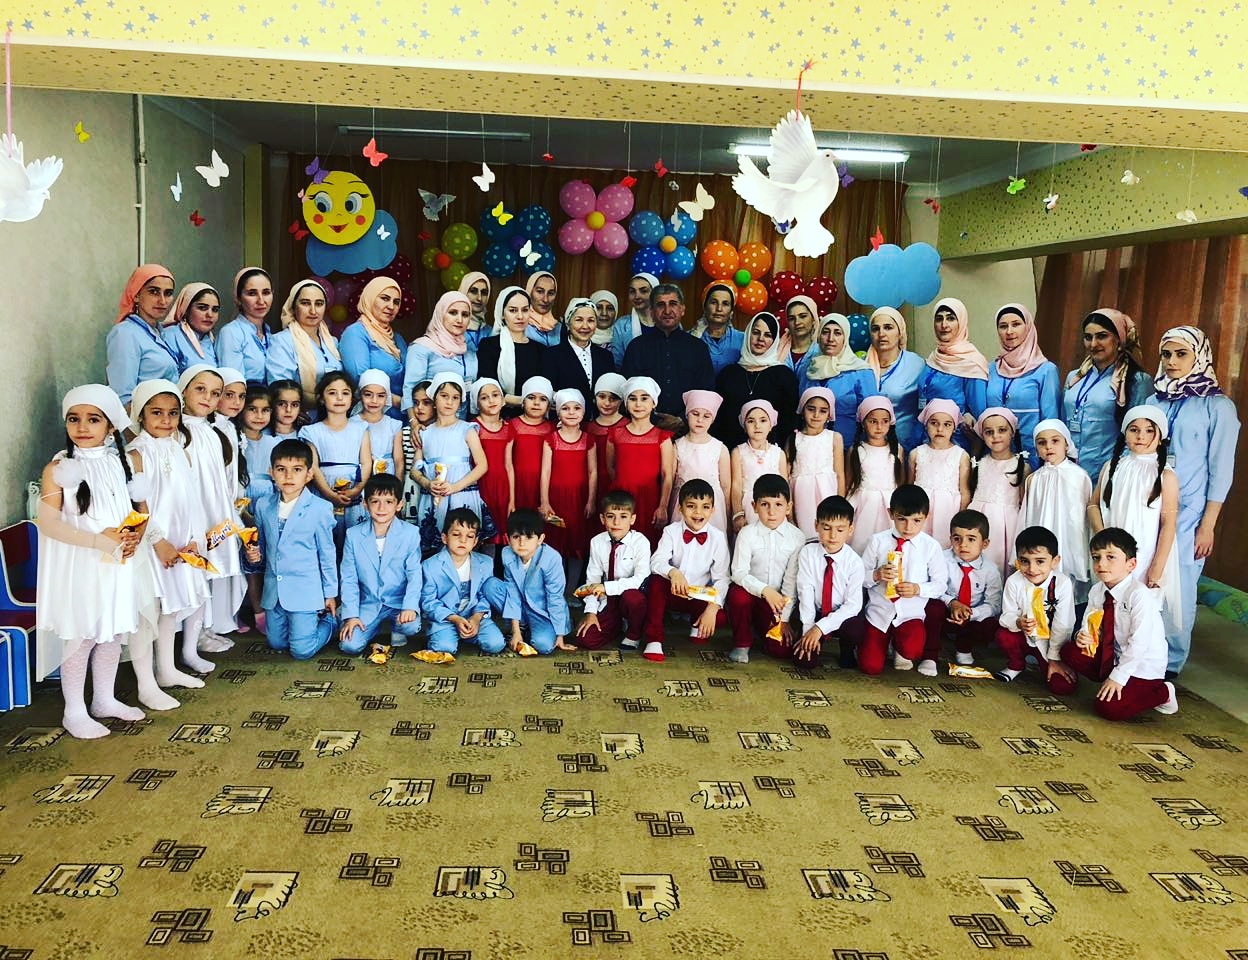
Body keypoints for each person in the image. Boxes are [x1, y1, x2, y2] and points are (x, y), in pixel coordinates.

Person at [36, 385, 147, 738]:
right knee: (82, 634)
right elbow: (48, 523)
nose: (82, 426)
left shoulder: (125, 463)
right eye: (74, 419)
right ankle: (74, 710)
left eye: (93, 419)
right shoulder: (58, 468)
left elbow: (140, 512)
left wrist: (134, 538)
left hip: (115, 564)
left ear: (111, 426)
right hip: (80, 565)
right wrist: (98, 541)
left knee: (111, 631)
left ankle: (103, 699)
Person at [1148, 325, 1241, 677]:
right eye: (1166, 354)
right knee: (1145, 576)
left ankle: (1170, 664)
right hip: (1149, 505)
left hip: (1190, 513)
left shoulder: (1218, 407)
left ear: (1199, 356)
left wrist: (1208, 525)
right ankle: (1141, 652)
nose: (1172, 361)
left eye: (1181, 354)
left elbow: (1221, 470)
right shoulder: (1154, 401)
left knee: (1180, 585)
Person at [126, 379, 213, 690]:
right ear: (141, 414)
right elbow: (138, 507)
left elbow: (190, 499)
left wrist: (194, 538)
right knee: (148, 610)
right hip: (152, 544)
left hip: (179, 543)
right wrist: (158, 541)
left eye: (173, 413)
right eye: (157, 412)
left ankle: (167, 668)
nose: (165, 420)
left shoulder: (178, 449)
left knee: (171, 608)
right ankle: (146, 681)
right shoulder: (135, 454)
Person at [1045, 527, 1179, 719]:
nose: (1101, 563)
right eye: (1096, 557)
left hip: (1142, 665)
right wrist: (1082, 636)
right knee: (1069, 651)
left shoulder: (1139, 595)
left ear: (1131, 564)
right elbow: (1089, 623)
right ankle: (1110, 680)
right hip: (1113, 655)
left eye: (1110, 557)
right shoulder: (1097, 590)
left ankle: (1164, 692)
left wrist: (1118, 678)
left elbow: (1139, 644)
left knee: (1109, 708)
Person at [1088, 406, 1181, 636]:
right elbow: (1093, 505)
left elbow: (1168, 523)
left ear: (1161, 436)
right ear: (1124, 433)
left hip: (1144, 554)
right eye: (1134, 429)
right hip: (1111, 552)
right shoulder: (1112, 467)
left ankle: (1137, 656)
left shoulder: (1165, 475)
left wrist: (1157, 567)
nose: (1141, 436)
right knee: (1108, 608)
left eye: (1149, 430)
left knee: (1138, 613)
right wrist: (1103, 537)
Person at [245, 438, 338, 660]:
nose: (288, 476)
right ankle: (301, 628)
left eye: (296, 470)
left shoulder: (320, 508)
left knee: (301, 651)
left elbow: (327, 554)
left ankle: (330, 622)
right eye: (281, 469)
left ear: (309, 474)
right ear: (271, 473)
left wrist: (330, 594)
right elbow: (263, 549)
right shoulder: (263, 505)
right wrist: (253, 556)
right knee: (276, 642)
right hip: (274, 591)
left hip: (305, 590)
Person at [177, 365, 243, 654]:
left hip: (214, 514)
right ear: (183, 390)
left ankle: (204, 629)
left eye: (215, 393)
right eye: (200, 389)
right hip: (192, 516)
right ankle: (188, 640)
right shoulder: (177, 433)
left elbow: (221, 479)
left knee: (208, 571)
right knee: (192, 573)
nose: (207, 397)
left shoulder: (213, 433)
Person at [858, 484, 948, 675]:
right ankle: (879, 644)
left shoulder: (931, 546)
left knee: (912, 650)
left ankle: (900, 648)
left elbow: (941, 585)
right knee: (870, 667)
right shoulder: (877, 541)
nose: (908, 527)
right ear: (891, 514)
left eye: (916, 520)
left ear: (927, 517)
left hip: (910, 614)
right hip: (879, 614)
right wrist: (876, 575)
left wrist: (917, 589)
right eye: (901, 519)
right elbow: (858, 577)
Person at [643, 478, 730, 662]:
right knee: (656, 583)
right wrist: (673, 572)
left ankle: (697, 624)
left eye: (705, 507)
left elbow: (722, 578)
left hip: (698, 596)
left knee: (721, 617)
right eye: (691, 506)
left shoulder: (717, 538)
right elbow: (656, 561)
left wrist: (712, 609)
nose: (698, 512)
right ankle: (654, 639)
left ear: (713, 510)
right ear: (680, 508)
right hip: (673, 592)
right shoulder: (671, 531)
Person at [337, 473, 423, 659]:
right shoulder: (353, 535)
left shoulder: (410, 534)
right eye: (375, 501)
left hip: (398, 603)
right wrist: (351, 615)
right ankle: (371, 627)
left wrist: (409, 606)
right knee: (349, 646)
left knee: (412, 625)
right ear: (365, 504)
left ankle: (396, 628)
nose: (381, 508)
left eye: (389, 502)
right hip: (367, 603)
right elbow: (349, 579)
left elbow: (414, 575)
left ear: (399, 505)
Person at [1063, 308, 1152, 482]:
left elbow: (1138, 434)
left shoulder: (1137, 381)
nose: (1093, 344)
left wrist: (1116, 473)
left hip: (1107, 472)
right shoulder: (1074, 378)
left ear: (1119, 339)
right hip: (1068, 470)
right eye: (1088, 337)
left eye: (1102, 336)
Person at [727, 473, 805, 663]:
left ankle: (759, 630)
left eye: (778, 504)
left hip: (778, 603)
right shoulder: (747, 534)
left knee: (781, 650)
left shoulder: (797, 537)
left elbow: (791, 581)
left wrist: (784, 619)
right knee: (738, 595)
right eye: (764, 504)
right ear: (754, 506)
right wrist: (764, 590)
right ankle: (742, 642)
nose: (771, 512)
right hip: (751, 596)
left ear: (789, 507)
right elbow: (738, 573)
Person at [411, 373, 489, 554]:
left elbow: (482, 465)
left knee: (463, 542)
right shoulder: (425, 433)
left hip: (461, 496)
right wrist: (427, 484)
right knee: (434, 548)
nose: (449, 402)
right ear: (434, 398)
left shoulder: (466, 429)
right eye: (444, 396)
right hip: (434, 498)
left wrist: (455, 487)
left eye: (455, 398)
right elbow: (415, 470)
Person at [420, 507, 512, 658]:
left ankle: (469, 634)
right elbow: (428, 601)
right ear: (444, 538)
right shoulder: (430, 566)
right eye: (456, 534)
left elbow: (484, 596)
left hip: (474, 616)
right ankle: (449, 636)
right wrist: (454, 619)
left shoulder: (485, 563)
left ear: (475, 541)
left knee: (496, 644)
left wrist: (476, 618)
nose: (463, 540)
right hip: (446, 619)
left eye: (469, 536)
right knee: (444, 648)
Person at [786, 495, 864, 668]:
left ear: (850, 529)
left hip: (841, 613)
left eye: (840, 529)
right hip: (814, 611)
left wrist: (819, 628)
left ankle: (847, 649)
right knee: (803, 662)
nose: (833, 536)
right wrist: (809, 630)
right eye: (826, 528)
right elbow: (805, 592)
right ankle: (811, 640)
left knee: (855, 629)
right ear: (816, 525)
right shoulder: (808, 553)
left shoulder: (855, 562)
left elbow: (853, 605)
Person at [922, 509, 1002, 676]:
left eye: (971, 539)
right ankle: (930, 655)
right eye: (957, 539)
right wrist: (952, 603)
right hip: (946, 613)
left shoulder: (991, 570)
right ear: (950, 539)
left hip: (971, 617)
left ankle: (964, 648)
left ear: (985, 543)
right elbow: (933, 587)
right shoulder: (942, 559)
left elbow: (994, 604)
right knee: (932, 607)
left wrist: (971, 613)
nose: (963, 545)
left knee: (990, 625)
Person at [621, 284, 715, 421]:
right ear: (652, 312)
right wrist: (654, 420)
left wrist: (681, 420)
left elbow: (705, 392)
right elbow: (629, 392)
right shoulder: (637, 347)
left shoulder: (698, 348)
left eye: (673, 304)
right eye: (660, 305)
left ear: (682, 309)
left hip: (689, 426)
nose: (667, 311)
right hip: (645, 425)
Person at [994, 526, 1076, 683]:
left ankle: (1049, 663)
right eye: (1025, 561)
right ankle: (1016, 665)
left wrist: (1054, 658)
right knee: (1003, 636)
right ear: (1018, 561)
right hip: (1022, 636)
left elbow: (1063, 625)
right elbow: (1006, 615)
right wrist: (1018, 622)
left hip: (1049, 642)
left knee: (1062, 686)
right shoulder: (1014, 581)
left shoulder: (1062, 584)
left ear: (1055, 561)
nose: (1032, 569)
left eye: (1040, 561)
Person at [1020, 420, 1091, 599]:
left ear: (1066, 444)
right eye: (1042, 442)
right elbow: (1028, 514)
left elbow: (1084, 515)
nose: (1048, 446)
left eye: (1055, 441)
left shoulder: (1079, 476)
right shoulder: (1034, 479)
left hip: (1070, 535)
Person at [299, 372, 372, 544]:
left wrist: (357, 489)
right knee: (326, 539)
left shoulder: (360, 428)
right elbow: (313, 467)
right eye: (332, 393)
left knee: (355, 540)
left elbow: (366, 462)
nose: (339, 398)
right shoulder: (312, 431)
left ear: (352, 399)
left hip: (354, 489)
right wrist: (329, 494)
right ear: (321, 398)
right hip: (324, 489)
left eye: (345, 393)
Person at [573, 490, 651, 650]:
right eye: (610, 516)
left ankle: (634, 633)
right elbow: (592, 580)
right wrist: (591, 613)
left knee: (633, 599)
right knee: (585, 640)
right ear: (603, 519)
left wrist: (606, 587)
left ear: (632, 519)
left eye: (623, 516)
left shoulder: (640, 542)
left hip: (631, 597)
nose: (616, 522)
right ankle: (616, 624)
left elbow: (640, 579)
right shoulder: (597, 542)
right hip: (607, 601)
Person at [985, 304, 1060, 467]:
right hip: (996, 455)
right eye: (1003, 326)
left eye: (1016, 324)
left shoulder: (1045, 370)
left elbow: (1050, 420)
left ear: (1028, 327)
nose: (1009, 331)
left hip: (1032, 455)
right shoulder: (991, 369)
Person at [713, 311, 799, 449]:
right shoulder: (728, 374)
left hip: (771, 453)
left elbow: (789, 422)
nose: (760, 339)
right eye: (756, 332)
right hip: (730, 452)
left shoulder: (784, 376)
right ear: (748, 334)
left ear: (774, 340)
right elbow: (718, 421)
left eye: (768, 335)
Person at [606, 376, 674, 546]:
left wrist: (662, 506)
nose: (638, 404)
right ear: (626, 403)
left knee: (647, 543)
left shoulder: (662, 437)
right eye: (632, 399)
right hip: (621, 499)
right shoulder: (615, 434)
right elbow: (611, 467)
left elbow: (667, 475)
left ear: (653, 403)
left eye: (644, 398)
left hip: (649, 500)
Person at [498, 509, 575, 654]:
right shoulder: (507, 554)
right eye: (516, 537)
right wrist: (515, 631)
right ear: (507, 539)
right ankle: (521, 628)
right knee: (491, 586)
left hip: (541, 611)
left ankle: (538, 629)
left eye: (529, 537)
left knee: (543, 646)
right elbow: (512, 593)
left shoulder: (551, 559)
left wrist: (560, 635)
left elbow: (555, 598)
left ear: (540, 539)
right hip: (520, 608)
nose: (522, 543)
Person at [540, 389, 597, 583]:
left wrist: (591, 501)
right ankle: (555, 588)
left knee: (576, 542)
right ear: (558, 412)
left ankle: (571, 588)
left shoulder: (589, 439)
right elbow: (545, 472)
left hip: (579, 500)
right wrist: (545, 502)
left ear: (583, 412)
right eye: (565, 408)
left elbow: (593, 472)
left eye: (576, 408)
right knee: (556, 541)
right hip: (556, 500)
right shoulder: (551, 439)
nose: (571, 412)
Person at [967, 408, 1028, 578]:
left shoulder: (1021, 467)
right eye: (989, 432)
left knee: (1000, 567)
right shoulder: (978, 464)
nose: (995, 436)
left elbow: (1023, 504)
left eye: (1002, 430)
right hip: (979, 524)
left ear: (1012, 433)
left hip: (1006, 527)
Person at [797, 314, 874, 448]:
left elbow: (872, 414)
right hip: (810, 445)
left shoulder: (861, 371)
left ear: (845, 338)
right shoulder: (808, 367)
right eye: (825, 332)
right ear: (819, 336)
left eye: (837, 333)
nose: (830, 338)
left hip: (848, 446)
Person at [919, 297, 988, 445]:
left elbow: (979, 415)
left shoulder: (971, 362)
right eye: (939, 319)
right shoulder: (933, 359)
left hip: (956, 443)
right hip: (927, 440)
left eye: (950, 318)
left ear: (961, 323)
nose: (944, 325)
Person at [106, 264, 178, 406]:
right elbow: (122, 397)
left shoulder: (160, 332)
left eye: (168, 293)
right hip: (141, 418)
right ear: (136, 295)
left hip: (165, 415)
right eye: (154, 292)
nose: (162, 301)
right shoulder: (125, 333)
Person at [267, 279, 343, 410]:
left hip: (336, 415)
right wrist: (328, 402)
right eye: (305, 303)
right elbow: (281, 388)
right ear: (293, 306)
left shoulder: (332, 342)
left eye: (319, 304)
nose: (313, 311)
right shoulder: (282, 341)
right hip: (300, 415)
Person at [845, 396, 906, 554]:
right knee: (861, 543)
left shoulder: (897, 449)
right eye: (873, 421)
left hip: (889, 504)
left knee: (887, 547)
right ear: (863, 423)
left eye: (885, 421)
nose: (879, 427)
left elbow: (901, 482)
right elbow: (849, 482)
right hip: (863, 503)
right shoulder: (856, 450)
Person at [339, 277, 408, 415]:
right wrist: (403, 403)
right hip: (372, 416)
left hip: (402, 416)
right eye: (385, 298)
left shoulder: (397, 338)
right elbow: (360, 381)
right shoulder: (355, 333)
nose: (391, 306)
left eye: (396, 302)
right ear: (369, 298)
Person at [402, 291, 478, 414]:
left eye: (465, 315)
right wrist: (413, 420)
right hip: (432, 421)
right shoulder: (422, 348)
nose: (459, 320)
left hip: (463, 420)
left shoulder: (468, 348)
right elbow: (410, 389)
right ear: (441, 314)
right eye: (453, 313)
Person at [910, 399, 970, 548]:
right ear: (926, 425)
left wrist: (961, 518)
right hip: (920, 509)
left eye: (947, 424)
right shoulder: (916, 453)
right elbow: (909, 487)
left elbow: (964, 491)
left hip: (947, 511)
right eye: (934, 423)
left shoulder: (961, 455)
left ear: (954, 427)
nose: (940, 429)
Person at [865, 307, 927, 451]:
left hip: (906, 444)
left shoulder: (916, 365)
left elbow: (927, 404)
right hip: (870, 447)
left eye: (888, 327)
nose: (881, 334)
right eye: (875, 329)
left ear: (900, 332)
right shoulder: (861, 366)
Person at [788, 386, 845, 537]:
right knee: (805, 533)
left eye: (823, 411)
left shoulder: (835, 438)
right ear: (802, 410)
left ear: (829, 414)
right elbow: (787, 475)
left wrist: (841, 503)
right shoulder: (794, 439)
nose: (816, 415)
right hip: (802, 494)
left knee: (828, 530)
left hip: (828, 490)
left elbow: (839, 474)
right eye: (811, 409)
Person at [671, 390, 730, 532]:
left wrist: (728, 514)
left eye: (706, 416)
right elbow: (670, 480)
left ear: (713, 419)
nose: (700, 420)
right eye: (695, 414)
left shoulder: (720, 448)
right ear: (687, 415)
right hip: (684, 503)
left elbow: (726, 486)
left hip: (712, 505)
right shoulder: (677, 446)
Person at [477, 286, 544, 411]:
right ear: (502, 314)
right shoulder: (489, 346)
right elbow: (488, 386)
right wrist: (522, 401)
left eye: (525, 310)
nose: (520, 316)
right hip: (497, 414)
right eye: (513, 310)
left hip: (533, 415)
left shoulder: (540, 349)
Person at [544, 298, 616, 414]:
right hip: (565, 420)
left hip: (598, 421)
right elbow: (546, 394)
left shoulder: (606, 356)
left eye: (591, 320)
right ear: (568, 323)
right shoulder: (552, 355)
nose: (585, 326)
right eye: (579, 320)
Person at [470, 378, 514, 555]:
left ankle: (497, 571)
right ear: (477, 403)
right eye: (484, 397)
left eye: (495, 395)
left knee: (501, 536)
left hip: (502, 489)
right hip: (481, 487)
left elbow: (509, 465)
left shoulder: (509, 428)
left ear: (503, 400)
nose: (491, 400)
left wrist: (512, 499)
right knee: (483, 534)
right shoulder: (473, 427)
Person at [731, 399, 788, 532]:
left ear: (771, 425)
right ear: (744, 426)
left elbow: (785, 485)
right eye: (751, 421)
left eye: (763, 420)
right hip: (749, 506)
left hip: (773, 506)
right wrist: (738, 513)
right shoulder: (738, 452)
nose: (757, 425)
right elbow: (736, 485)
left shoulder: (778, 453)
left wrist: (788, 515)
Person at [217, 267, 274, 385]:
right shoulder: (230, 333)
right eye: (252, 293)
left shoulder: (269, 334)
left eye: (266, 292)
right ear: (238, 298)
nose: (261, 301)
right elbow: (233, 384)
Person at [511, 376, 556, 512]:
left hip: (545, 485)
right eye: (531, 398)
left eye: (543, 399)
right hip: (519, 484)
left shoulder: (553, 429)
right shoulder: (512, 425)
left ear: (549, 405)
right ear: (523, 402)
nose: (536, 403)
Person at [163, 283, 220, 373]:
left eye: (215, 310)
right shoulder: (170, 336)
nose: (210, 315)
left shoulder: (213, 341)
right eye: (202, 308)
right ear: (186, 309)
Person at [586, 373, 626, 498]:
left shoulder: (628, 426)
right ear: (595, 397)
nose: (607, 403)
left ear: (622, 400)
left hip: (618, 484)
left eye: (613, 398)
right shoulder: (587, 428)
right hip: (591, 485)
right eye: (602, 396)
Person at [691, 283, 744, 376]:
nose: (719, 309)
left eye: (725, 304)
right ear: (705, 307)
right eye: (714, 302)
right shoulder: (690, 339)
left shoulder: (743, 340)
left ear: (731, 312)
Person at [609, 271, 659, 365]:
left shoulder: (668, 322)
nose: (637, 296)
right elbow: (617, 363)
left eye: (643, 291)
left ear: (655, 293)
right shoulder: (622, 325)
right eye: (632, 291)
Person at [524, 270, 562, 347]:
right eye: (540, 291)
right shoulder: (520, 325)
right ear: (529, 292)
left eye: (550, 293)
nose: (545, 299)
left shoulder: (560, 328)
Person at [459, 271, 493, 351]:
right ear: (464, 292)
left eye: (484, 293)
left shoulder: (490, 332)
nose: (479, 298)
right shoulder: (452, 327)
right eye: (473, 291)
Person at [784, 295, 819, 370]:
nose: (797, 322)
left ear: (813, 319)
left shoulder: (821, 352)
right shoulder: (778, 351)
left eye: (803, 316)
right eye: (792, 318)